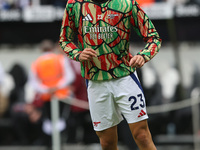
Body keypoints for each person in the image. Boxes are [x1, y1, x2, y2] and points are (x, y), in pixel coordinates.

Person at [59, 0, 162, 150]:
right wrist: (78, 54)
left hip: (125, 77)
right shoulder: (75, 4)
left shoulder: (126, 4)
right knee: (107, 142)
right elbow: (64, 40)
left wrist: (143, 56)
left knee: (142, 135)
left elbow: (154, 37)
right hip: (96, 81)